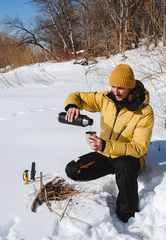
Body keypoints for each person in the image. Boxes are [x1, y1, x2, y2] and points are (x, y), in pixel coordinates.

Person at [64, 64, 154, 222]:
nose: (116, 92)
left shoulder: (144, 112)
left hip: (128, 157)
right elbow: (77, 96)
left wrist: (105, 145)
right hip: (105, 153)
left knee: (125, 166)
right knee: (73, 169)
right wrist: (72, 106)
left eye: (121, 88)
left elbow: (139, 148)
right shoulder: (106, 99)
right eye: (113, 86)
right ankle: (114, 170)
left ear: (130, 87)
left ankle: (127, 216)